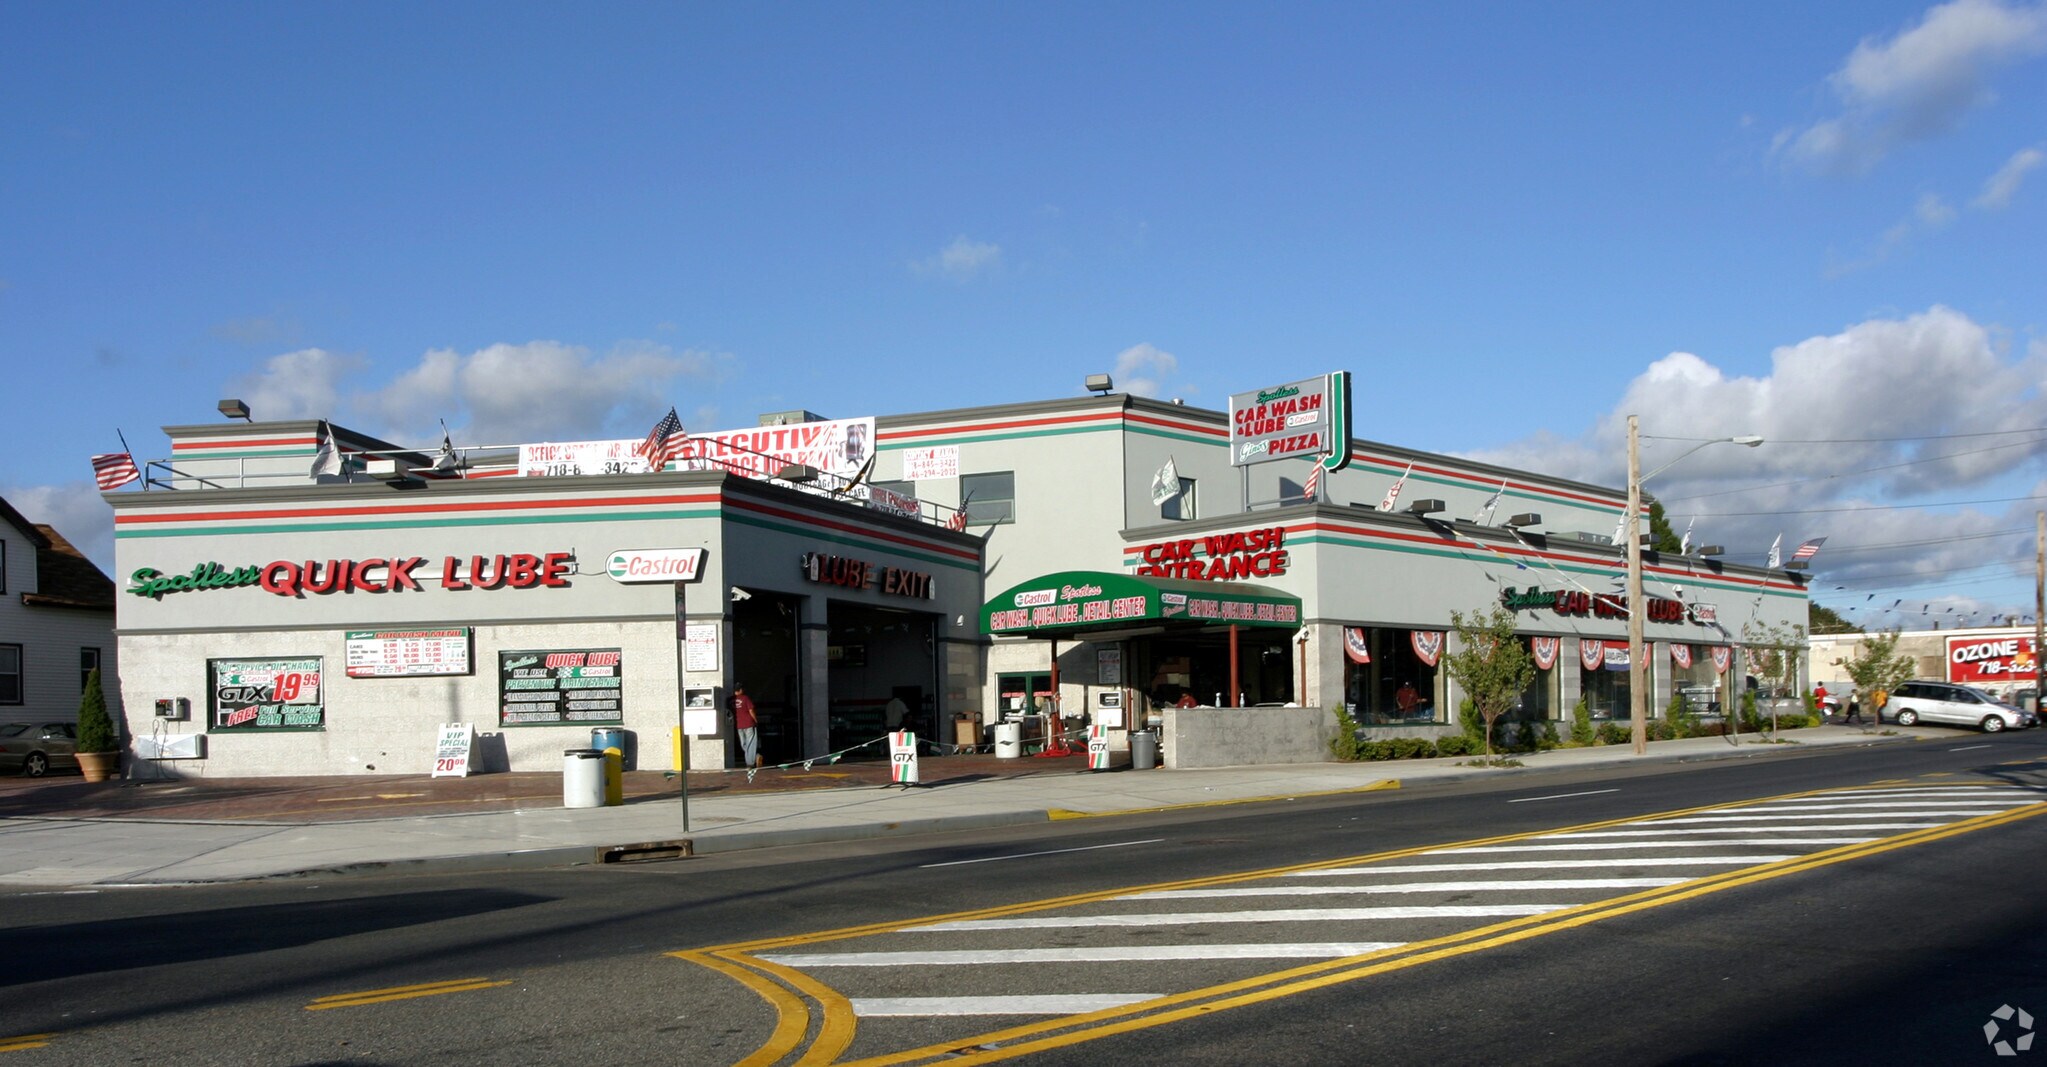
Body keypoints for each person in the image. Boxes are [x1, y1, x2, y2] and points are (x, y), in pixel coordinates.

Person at [731, 684, 759, 768]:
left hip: (739, 725)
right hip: (749, 723)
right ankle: (752, 760)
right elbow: (751, 710)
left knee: (743, 743)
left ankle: (750, 760)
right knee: (750, 742)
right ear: (740, 690)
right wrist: (756, 720)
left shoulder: (731, 700)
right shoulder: (745, 698)